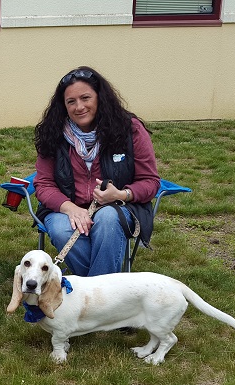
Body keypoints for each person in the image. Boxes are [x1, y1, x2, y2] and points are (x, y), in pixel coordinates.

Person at [33, 66, 161, 277]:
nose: (79, 107)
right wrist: (70, 208)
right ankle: (106, 298)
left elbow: (150, 181)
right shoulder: (52, 133)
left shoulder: (130, 129)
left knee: (108, 218)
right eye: (71, 101)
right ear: (63, 106)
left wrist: (121, 195)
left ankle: (92, 298)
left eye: (85, 98)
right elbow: (44, 184)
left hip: (120, 207)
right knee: (58, 228)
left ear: (100, 98)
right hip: (65, 209)